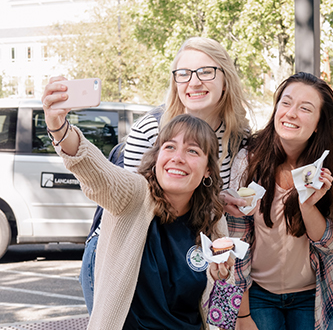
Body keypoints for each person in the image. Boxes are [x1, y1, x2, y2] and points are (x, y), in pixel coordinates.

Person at [41, 83, 235, 329]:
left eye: (192, 151)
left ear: (208, 169)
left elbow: (221, 312)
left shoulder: (213, 219)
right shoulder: (134, 195)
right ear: (157, 158)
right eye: (170, 147)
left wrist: (222, 277)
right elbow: (95, 170)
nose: (178, 157)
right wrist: (59, 129)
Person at [80, 36, 251, 313]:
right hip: (125, 251)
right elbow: (130, 202)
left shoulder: (236, 137)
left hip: (182, 253)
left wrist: (219, 201)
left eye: (206, 71)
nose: (193, 82)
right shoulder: (150, 128)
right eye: (183, 74)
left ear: (226, 78)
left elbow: (201, 198)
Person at [228, 72, 333, 330]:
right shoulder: (248, 161)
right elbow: (236, 242)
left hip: (312, 294)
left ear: (318, 123)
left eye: (305, 108)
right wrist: (242, 314)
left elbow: (332, 243)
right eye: (286, 102)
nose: (291, 113)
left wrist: (307, 204)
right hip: (257, 293)